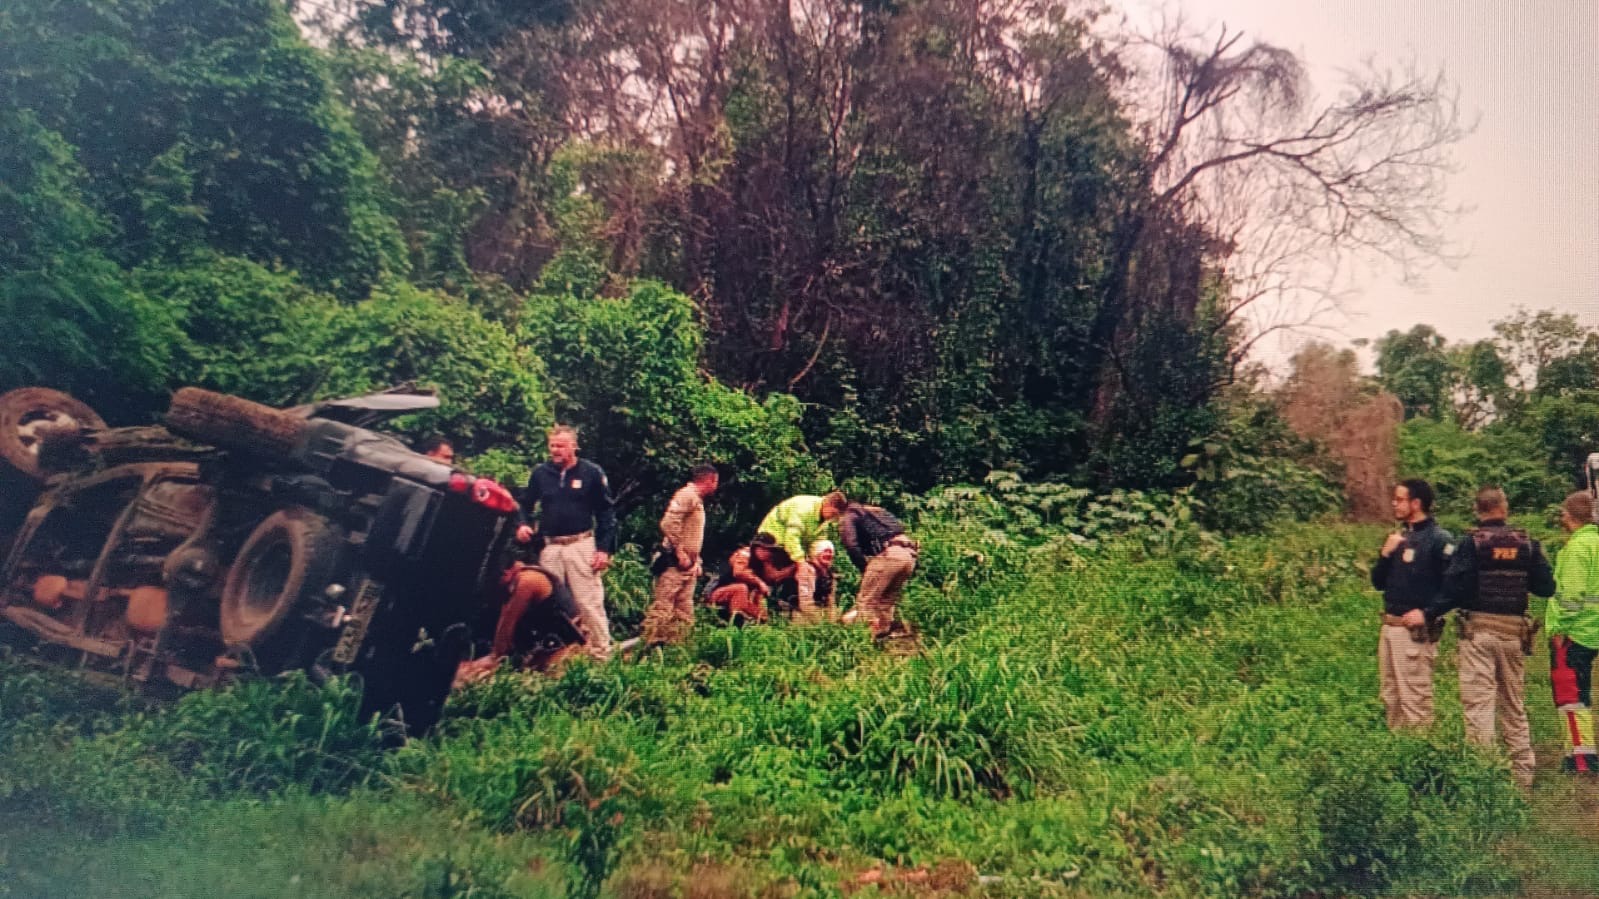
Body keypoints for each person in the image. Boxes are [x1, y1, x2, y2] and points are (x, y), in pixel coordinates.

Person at [1416, 486, 1554, 788]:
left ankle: (1484, 779)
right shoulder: (1526, 543)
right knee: (1513, 703)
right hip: (1514, 634)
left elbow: (1453, 589)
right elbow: (1546, 588)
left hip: (1478, 633)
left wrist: (1429, 612)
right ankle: (1522, 774)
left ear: (1478, 510)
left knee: (1479, 705)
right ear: (1504, 508)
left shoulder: (1471, 544)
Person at [514, 425, 617, 660]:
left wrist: (603, 549)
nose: (555, 450)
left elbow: (606, 512)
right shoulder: (541, 474)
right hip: (551, 547)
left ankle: (601, 656)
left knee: (588, 601)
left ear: (573, 446)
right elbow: (524, 504)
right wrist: (522, 524)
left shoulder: (591, 472)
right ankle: (554, 657)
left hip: (580, 544)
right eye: (552, 445)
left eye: (561, 445)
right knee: (549, 604)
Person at [1370, 478, 1454, 730]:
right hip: (1390, 626)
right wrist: (1385, 554)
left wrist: (1428, 613)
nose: (1394, 504)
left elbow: (1453, 587)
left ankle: (1422, 756)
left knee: (1415, 699)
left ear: (1416, 503)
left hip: (1414, 632)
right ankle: (1398, 757)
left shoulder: (1439, 540)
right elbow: (1377, 582)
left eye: (1400, 499)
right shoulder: (1399, 538)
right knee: (1390, 696)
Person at [1549, 491, 1599, 773]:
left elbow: (1571, 595)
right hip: (1592, 629)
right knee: (1581, 691)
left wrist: (1560, 628)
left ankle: (1581, 759)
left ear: (1569, 515)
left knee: (1570, 695)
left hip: (1574, 633)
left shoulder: (1577, 548)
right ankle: (1581, 752)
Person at [641, 464, 719, 646]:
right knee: (663, 606)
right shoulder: (686, 495)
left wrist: (695, 560)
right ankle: (647, 647)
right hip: (674, 563)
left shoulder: (696, 500)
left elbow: (690, 533)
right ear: (710, 480)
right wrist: (679, 551)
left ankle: (677, 648)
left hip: (689, 565)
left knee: (684, 609)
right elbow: (668, 523)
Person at [754, 492, 848, 615]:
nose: (832, 518)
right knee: (803, 570)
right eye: (833, 514)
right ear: (828, 505)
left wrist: (817, 560)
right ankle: (805, 607)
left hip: (792, 546)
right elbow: (791, 537)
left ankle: (816, 607)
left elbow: (817, 541)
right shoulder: (804, 508)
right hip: (773, 542)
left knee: (815, 569)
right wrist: (800, 561)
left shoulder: (823, 519)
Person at [837, 501, 918, 640]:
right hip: (909, 554)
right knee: (886, 599)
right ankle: (883, 635)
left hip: (890, 553)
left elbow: (851, 544)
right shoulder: (877, 512)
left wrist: (863, 567)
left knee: (866, 601)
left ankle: (863, 639)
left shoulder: (849, 514)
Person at [704, 534, 795, 624]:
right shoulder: (744, 554)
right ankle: (737, 621)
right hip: (717, 593)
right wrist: (759, 582)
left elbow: (773, 577)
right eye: (765, 549)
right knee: (741, 588)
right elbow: (738, 573)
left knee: (762, 609)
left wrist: (796, 565)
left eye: (770, 550)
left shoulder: (763, 562)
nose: (768, 553)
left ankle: (754, 621)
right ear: (756, 547)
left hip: (739, 600)